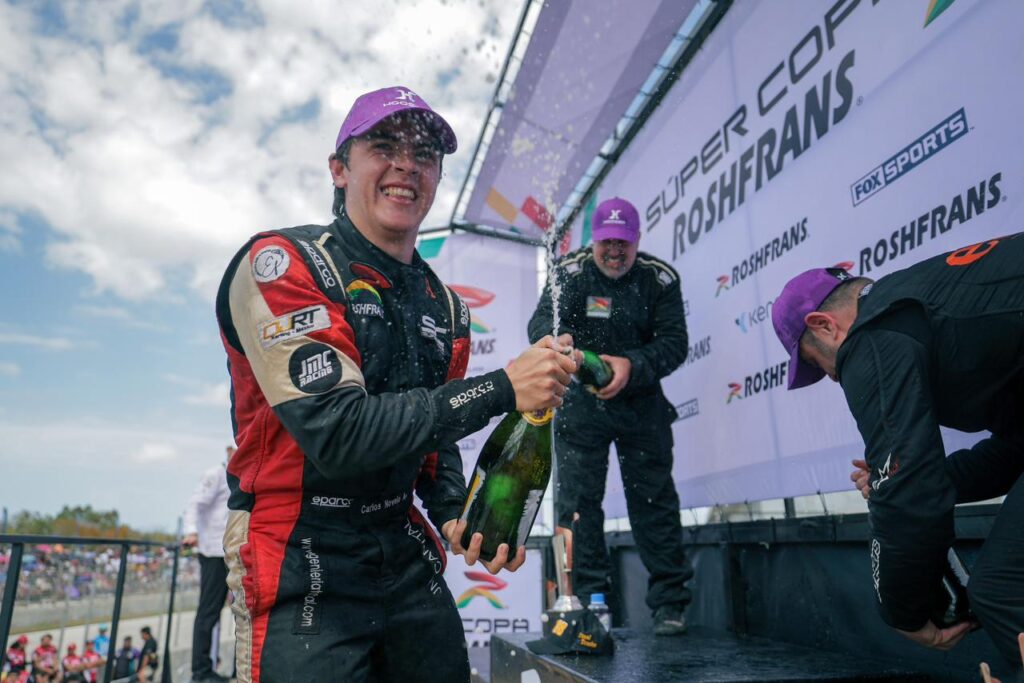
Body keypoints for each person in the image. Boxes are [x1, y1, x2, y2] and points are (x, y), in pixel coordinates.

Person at [215, 85, 577, 682]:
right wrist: (504, 387)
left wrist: (457, 514)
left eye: (426, 154)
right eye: (384, 145)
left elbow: (433, 447)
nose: (407, 163)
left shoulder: (448, 307)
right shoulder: (283, 262)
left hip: (398, 542)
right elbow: (338, 433)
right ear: (339, 168)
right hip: (298, 545)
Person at [771, 233, 1024, 672]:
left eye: (817, 364)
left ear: (824, 325)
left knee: (1006, 589)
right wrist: (910, 470)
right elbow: (1016, 451)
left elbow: (912, 498)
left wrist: (904, 615)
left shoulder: (872, 333)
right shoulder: (918, 304)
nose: (832, 378)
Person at [527, 197, 693, 636]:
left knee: (655, 502)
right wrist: (569, 350)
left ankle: (670, 605)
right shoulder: (569, 272)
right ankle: (585, 602)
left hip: (642, 407)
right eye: (607, 242)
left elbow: (676, 342)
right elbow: (539, 326)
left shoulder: (660, 279)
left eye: (624, 242)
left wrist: (631, 366)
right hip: (582, 406)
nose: (615, 251)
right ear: (594, 240)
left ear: (637, 240)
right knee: (578, 506)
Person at [182, 446, 232, 682]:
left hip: (231, 552)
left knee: (228, 611)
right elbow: (194, 504)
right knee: (208, 613)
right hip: (213, 552)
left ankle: (213, 667)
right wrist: (191, 532)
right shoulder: (216, 474)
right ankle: (200, 671)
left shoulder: (240, 476)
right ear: (229, 450)